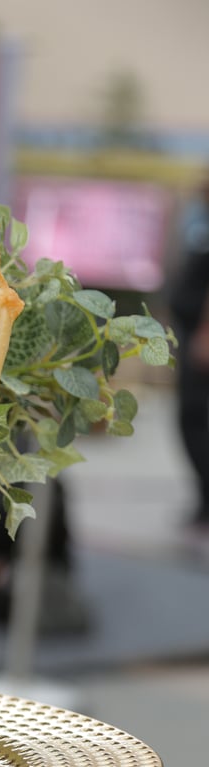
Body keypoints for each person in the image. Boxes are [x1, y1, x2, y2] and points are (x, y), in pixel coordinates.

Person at [169, 177, 209, 543]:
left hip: (202, 344)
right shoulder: (199, 218)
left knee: (196, 424)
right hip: (192, 339)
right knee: (191, 424)